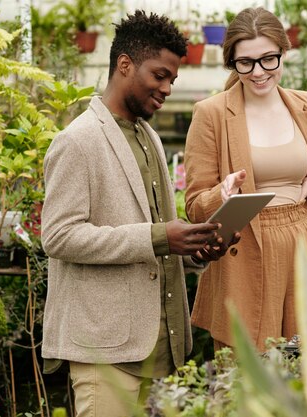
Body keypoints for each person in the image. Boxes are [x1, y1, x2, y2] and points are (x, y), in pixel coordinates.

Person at [40, 10, 238, 417]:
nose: (166, 88)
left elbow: (158, 238)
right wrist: (160, 236)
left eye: (172, 80)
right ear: (125, 65)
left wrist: (196, 250)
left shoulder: (146, 135)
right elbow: (58, 236)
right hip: (107, 353)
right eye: (160, 75)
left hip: (163, 350)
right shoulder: (77, 141)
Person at [184, 7, 307, 352]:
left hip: (305, 241)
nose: (258, 72)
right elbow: (195, 207)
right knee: (246, 374)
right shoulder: (212, 114)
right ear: (232, 63)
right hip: (242, 253)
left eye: (268, 59)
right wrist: (221, 194)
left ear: (283, 54)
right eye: (246, 63)